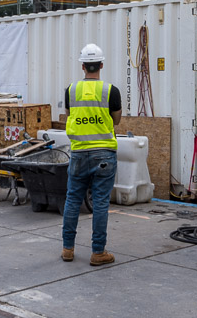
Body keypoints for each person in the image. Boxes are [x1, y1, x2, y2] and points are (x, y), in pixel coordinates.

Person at [58, 42, 121, 266]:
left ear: (82, 66)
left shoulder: (71, 90)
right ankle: (97, 252)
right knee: (101, 203)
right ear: (101, 65)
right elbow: (116, 120)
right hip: (104, 154)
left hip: (78, 154)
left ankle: (67, 249)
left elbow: (68, 115)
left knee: (73, 200)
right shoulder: (110, 91)